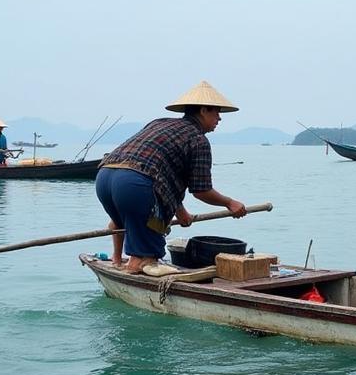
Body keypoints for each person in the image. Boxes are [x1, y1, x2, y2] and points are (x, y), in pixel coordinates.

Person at [96, 81, 248, 274]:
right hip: (134, 184)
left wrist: (180, 212)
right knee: (146, 256)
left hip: (105, 176)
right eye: (216, 112)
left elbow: (164, 176)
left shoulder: (160, 122)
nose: (219, 118)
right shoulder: (198, 139)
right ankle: (136, 263)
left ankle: (117, 260)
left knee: (123, 220)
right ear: (203, 110)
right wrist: (230, 203)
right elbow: (201, 190)